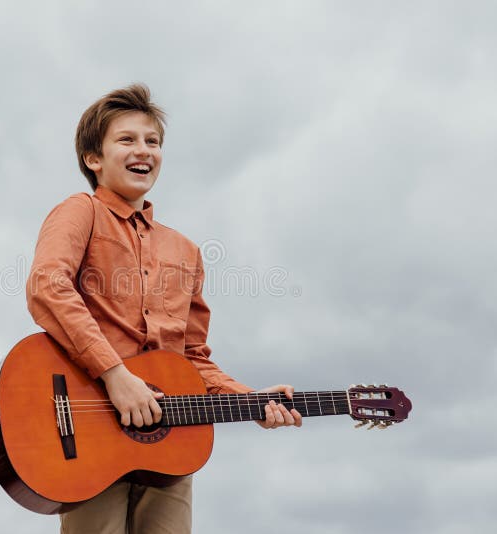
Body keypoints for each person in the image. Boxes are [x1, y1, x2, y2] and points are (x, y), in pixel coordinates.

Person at [26, 84, 302, 534]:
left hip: (171, 442)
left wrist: (251, 400)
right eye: (127, 139)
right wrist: (116, 378)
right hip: (91, 431)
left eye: (152, 141)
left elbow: (192, 360)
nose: (144, 150)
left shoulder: (186, 250)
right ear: (93, 159)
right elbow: (47, 286)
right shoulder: (80, 212)